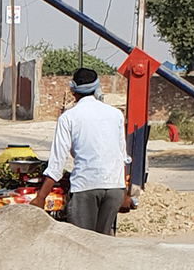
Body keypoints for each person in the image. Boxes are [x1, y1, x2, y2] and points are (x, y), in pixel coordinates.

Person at [32, 67, 128, 234]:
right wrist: (124, 193)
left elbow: (56, 164)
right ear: (97, 88)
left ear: (72, 90)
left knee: (82, 244)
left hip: (85, 186)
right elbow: (121, 155)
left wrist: (41, 197)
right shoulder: (116, 114)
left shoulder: (68, 117)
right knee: (104, 242)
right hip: (114, 188)